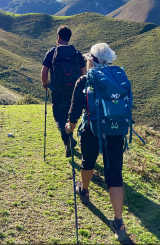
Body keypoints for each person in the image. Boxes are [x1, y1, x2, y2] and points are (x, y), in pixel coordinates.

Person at [65, 43, 128, 241]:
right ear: (109, 60)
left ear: (91, 60)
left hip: (91, 131)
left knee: (88, 162)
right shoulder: (118, 78)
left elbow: (75, 110)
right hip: (116, 131)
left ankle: (84, 191)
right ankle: (118, 222)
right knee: (115, 176)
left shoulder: (84, 80)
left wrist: (70, 126)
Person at [41, 25, 87, 157]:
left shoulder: (52, 52)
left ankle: (68, 140)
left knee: (59, 117)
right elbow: (84, 74)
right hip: (74, 91)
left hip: (57, 91)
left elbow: (44, 72)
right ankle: (69, 140)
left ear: (59, 37)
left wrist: (45, 85)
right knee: (71, 116)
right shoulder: (77, 54)